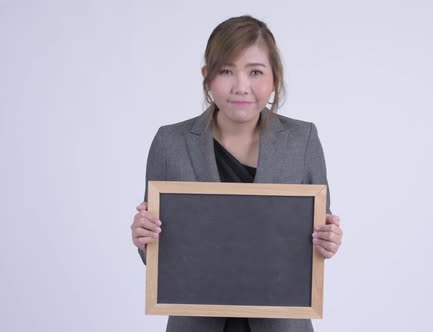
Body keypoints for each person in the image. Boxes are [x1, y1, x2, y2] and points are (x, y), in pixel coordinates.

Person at [130, 15, 343, 332]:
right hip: (197, 321)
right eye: (226, 71)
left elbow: (314, 230)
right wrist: (143, 238)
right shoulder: (169, 142)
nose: (241, 86)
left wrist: (328, 240)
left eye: (255, 72)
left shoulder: (303, 140)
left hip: (281, 323)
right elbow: (160, 256)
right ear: (207, 77)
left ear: (273, 79)